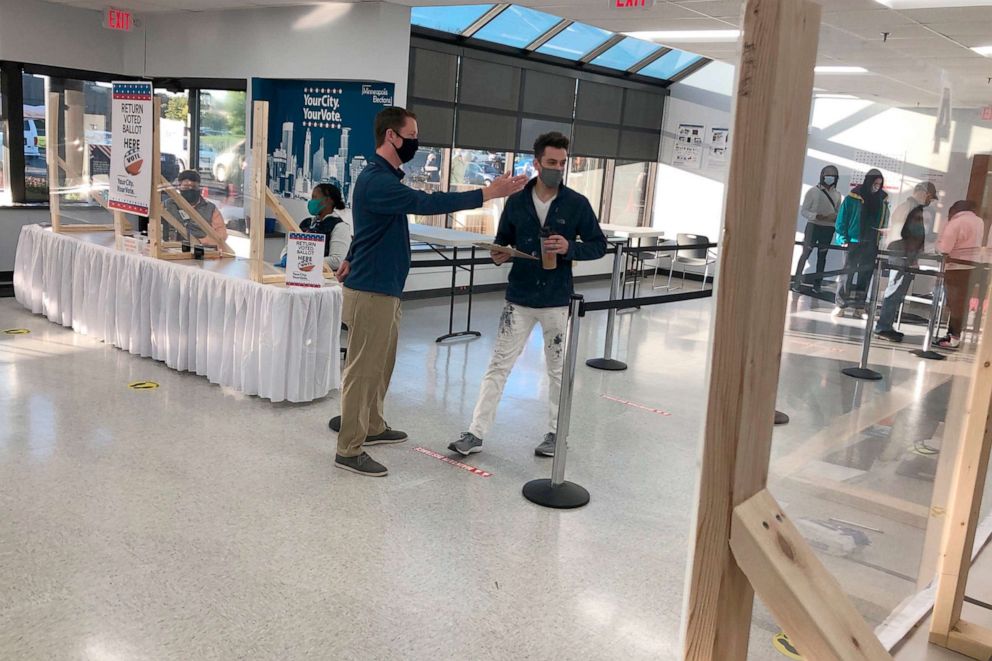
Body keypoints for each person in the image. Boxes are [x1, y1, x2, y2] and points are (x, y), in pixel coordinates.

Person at [330, 107, 527, 477]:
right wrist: (487, 193)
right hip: (372, 291)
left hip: (384, 288)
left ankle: (372, 425)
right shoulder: (378, 180)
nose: (416, 142)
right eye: (412, 134)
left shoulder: (383, 178)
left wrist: (352, 255)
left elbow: (368, 227)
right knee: (362, 370)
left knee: (381, 365)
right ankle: (349, 447)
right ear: (391, 136)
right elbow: (428, 203)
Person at [448, 132, 607, 458]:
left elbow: (598, 245)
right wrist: (499, 253)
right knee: (498, 366)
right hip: (518, 298)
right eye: (551, 162)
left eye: (562, 163)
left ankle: (555, 434)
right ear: (536, 163)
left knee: (558, 371)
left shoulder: (577, 204)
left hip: (557, 299)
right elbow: (502, 240)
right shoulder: (517, 202)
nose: (557, 168)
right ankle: (475, 433)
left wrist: (569, 247)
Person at [832, 168, 889, 317]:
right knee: (847, 274)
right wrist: (842, 238)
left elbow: (885, 219)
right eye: (875, 183)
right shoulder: (853, 197)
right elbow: (842, 219)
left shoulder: (882, 199)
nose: (877, 186)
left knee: (865, 275)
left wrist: (883, 234)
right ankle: (841, 305)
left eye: (880, 184)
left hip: (871, 242)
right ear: (869, 181)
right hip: (853, 241)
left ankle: (859, 307)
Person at [936, 200, 986, 349]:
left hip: (955, 267)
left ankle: (953, 337)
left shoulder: (956, 222)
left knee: (954, 304)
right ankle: (955, 335)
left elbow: (945, 247)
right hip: (972, 267)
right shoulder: (979, 222)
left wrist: (937, 245)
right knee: (962, 303)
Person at [874, 205, 926, 342]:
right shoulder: (912, 210)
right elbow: (910, 236)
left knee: (896, 292)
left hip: (902, 254)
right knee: (895, 290)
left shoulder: (910, 209)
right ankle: (883, 327)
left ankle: (886, 325)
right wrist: (912, 258)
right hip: (902, 256)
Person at [276, 183, 351, 271]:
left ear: (328, 200)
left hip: (324, 279)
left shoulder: (340, 227)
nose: (311, 202)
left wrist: (303, 262)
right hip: (297, 275)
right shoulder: (306, 223)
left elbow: (337, 261)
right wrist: (286, 257)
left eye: (314, 197)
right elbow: (288, 248)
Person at [792, 165, 842, 293]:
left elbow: (838, 211)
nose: (830, 177)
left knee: (822, 257)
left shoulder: (837, 194)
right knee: (805, 254)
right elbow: (804, 211)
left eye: (833, 175)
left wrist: (833, 218)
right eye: (827, 174)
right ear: (822, 175)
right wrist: (816, 216)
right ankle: (797, 281)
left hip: (828, 229)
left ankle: (817, 284)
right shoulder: (812, 191)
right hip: (813, 226)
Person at [163, 170, 228, 247]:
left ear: (199, 188)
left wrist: (200, 242)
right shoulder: (169, 205)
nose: (190, 190)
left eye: (194, 187)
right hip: (173, 249)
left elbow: (222, 234)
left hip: (203, 251)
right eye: (186, 187)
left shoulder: (210, 208)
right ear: (179, 186)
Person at [887, 181, 937, 249]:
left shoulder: (906, 206)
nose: (929, 201)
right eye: (930, 197)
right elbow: (902, 231)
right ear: (923, 194)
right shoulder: (911, 208)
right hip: (903, 251)